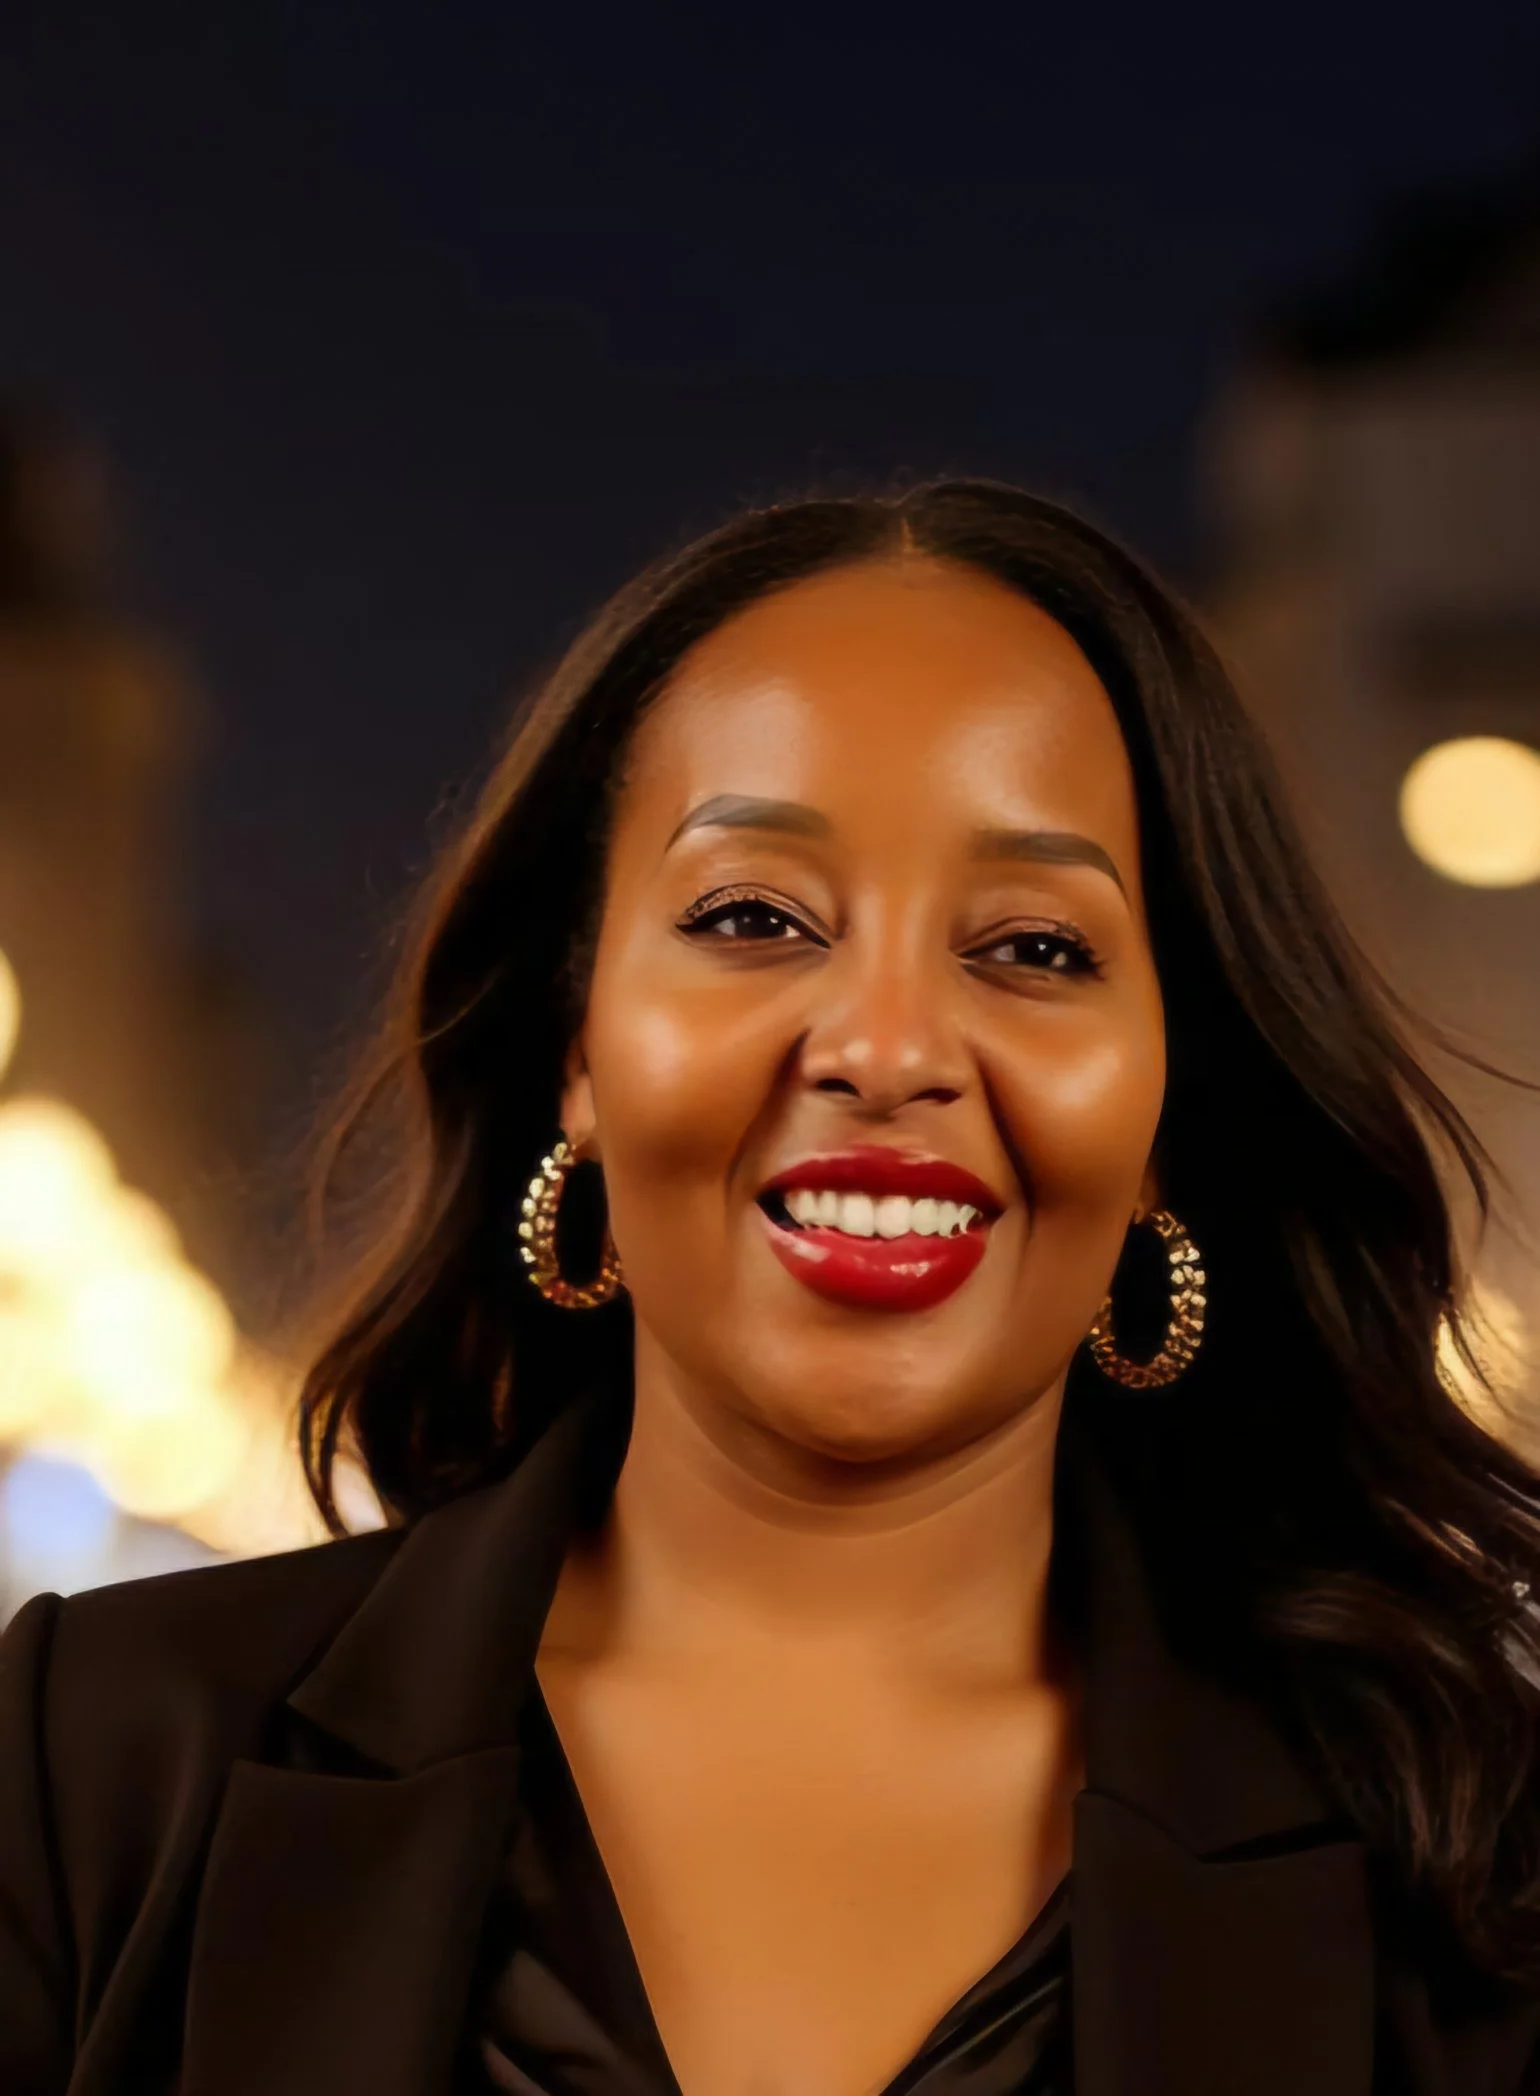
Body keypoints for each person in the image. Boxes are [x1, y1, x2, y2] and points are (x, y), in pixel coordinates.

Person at [2, 481, 1539, 2096]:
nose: (884, 1047)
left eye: (1034, 948)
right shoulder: (99, 1764)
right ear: (575, 1051)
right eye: (752, 917)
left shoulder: (1467, 1861)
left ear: (1172, 1112)